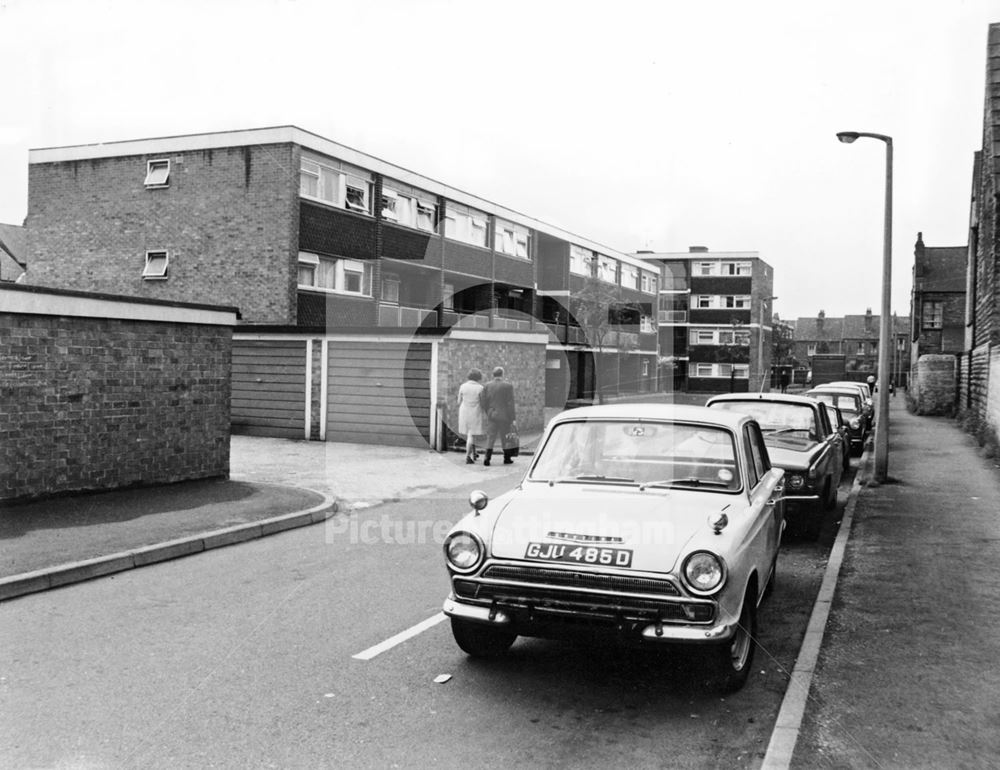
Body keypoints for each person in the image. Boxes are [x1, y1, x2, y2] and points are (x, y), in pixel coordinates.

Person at [481, 366, 517, 466]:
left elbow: (483, 402)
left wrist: (488, 412)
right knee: (504, 437)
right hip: (504, 416)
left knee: (490, 437)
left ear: (493, 374)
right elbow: (510, 404)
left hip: (492, 415)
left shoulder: (487, 385)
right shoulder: (508, 386)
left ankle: (487, 458)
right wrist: (512, 418)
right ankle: (506, 458)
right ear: (502, 374)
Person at [457, 369, 486, 464]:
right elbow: (482, 403)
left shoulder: (462, 386)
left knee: (470, 434)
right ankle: (467, 457)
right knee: (472, 434)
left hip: (464, 411)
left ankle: (474, 453)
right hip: (475, 412)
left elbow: (458, 401)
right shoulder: (480, 388)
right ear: (478, 377)